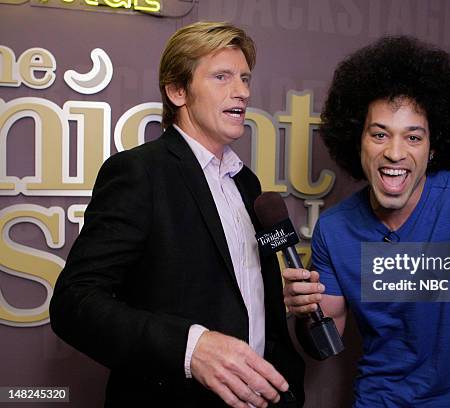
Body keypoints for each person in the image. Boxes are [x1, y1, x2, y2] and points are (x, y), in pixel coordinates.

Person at [50, 22, 304, 408]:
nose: (243, 91)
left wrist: (285, 298)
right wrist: (191, 348)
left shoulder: (248, 184)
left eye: (245, 78)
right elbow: (74, 303)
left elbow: (239, 292)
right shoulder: (139, 173)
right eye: (222, 77)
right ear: (177, 91)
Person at [283, 36, 450, 407]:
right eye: (379, 134)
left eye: (413, 137)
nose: (395, 152)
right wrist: (306, 313)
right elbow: (326, 344)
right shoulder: (335, 229)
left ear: (433, 147)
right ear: (359, 141)